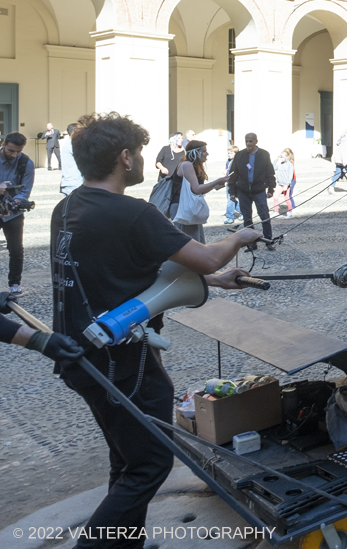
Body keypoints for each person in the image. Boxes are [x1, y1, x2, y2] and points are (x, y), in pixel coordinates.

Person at [50, 113, 258, 549]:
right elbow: (205, 258)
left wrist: (215, 282)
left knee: (126, 457)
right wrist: (237, 238)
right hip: (125, 362)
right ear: (125, 157)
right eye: (140, 152)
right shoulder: (133, 212)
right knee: (150, 464)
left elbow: (124, 270)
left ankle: (123, 544)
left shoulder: (66, 207)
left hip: (79, 357)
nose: (145, 159)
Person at [168, 140, 229, 243]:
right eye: (204, 151)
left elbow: (197, 191)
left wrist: (214, 186)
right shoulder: (186, 165)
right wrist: (217, 181)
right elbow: (196, 189)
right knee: (191, 244)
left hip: (189, 206)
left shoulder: (195, 166)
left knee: (198, 242)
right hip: (182, 207)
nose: (207, 153)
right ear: (195, 152)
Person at [0, 133, 33, 298]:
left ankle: (14, 284)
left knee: (16, 249)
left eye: (17, 152)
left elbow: (25, 190)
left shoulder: (26, 163)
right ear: (3, 144)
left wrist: (18, 201)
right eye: (11, 150)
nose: (14, 155)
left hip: (13, 212)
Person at [229, 133, 277, 242]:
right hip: (243, 192)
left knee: (264, 215)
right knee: (247, 219)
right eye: (246, 141)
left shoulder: (264, 155)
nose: (248, 143)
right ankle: (251, 243)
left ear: (256, 141)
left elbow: (270, 173)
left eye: (251, 141)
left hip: (259, 190)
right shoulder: (239, 155)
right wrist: (232, 191)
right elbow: (233, 174)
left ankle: (268, 240)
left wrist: (270, 189)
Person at [273, 148, 297, 219]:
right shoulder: (280, 164)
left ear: (287, 157)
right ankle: (276, 212)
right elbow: (273, 168)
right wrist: (276, 160)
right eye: (281, 156)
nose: (281, 158)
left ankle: (290, 212)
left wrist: (287, 185)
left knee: (286, 198)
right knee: (275, 197)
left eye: (282, 157)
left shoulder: (289, 165)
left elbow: (290, 176)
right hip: (279, 184)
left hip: (286, 184)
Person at [60, 122, 82, 195]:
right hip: (74, 183)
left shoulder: (69, 143)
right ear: (74, 132)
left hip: (72, 183)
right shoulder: (72, 144)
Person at [222, 144, 241, 225]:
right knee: (232, 199)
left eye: (231, 153)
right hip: (229, 182)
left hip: (235, 183)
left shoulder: (238, 162)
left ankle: (230, 216)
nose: (229, 155)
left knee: (231, 200)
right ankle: (243, 212)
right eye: (228, 153)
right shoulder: (228, 161)